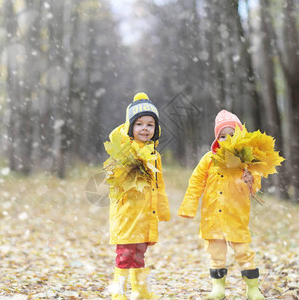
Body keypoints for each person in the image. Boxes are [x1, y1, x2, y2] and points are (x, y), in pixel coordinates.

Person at [178, 110, 265, 300]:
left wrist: (251, 179)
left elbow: (255, 186)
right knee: (216, 254)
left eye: (232, 135)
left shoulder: (246, 162)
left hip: (236, 217)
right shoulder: (209, 160)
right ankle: (218, 288)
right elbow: (195, 182)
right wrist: (189, 207)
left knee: (244, 252)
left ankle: (252, 288)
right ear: (217, 139)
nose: (227, 139)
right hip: (213, 217)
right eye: (222, 136)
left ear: (240, 136)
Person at [107, 92, 170, 300]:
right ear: (130, 127)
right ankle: (119, 291)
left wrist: (161, 210)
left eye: (150, 125)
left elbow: (158, 186)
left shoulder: (155, 155)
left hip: (145, 215)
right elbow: (113, 178)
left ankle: (139, 290)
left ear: (156, 129)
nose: (145, 128)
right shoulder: (124, 151)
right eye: (139, 124)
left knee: (139, 254)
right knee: (124, 254)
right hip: (127, 213)